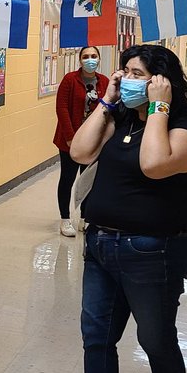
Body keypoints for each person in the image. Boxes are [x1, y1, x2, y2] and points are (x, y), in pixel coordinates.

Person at [46, 45, 187, 373]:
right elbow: (80, 151)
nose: (125, 79)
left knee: (156, 339)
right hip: (102, 246)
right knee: (96, 339)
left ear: (162, 81)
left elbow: (154, 164)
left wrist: (158, 107)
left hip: (154, 251)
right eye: (123, 71)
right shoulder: (119, 118)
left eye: (137, 73)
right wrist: (108, 100)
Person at [53, 47, 109, 237]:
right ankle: (65, 219)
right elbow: (62, 109)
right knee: (67, 179)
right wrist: (70, 137)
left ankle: (85, 218)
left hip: (93, 141)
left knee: (88, 180)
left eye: (93, 56)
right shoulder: (70, 80)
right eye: (86, 57)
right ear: (80, 60)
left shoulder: (104, 82)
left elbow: (107, 109)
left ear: (99, 59)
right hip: (69, 140)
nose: (90, 60)